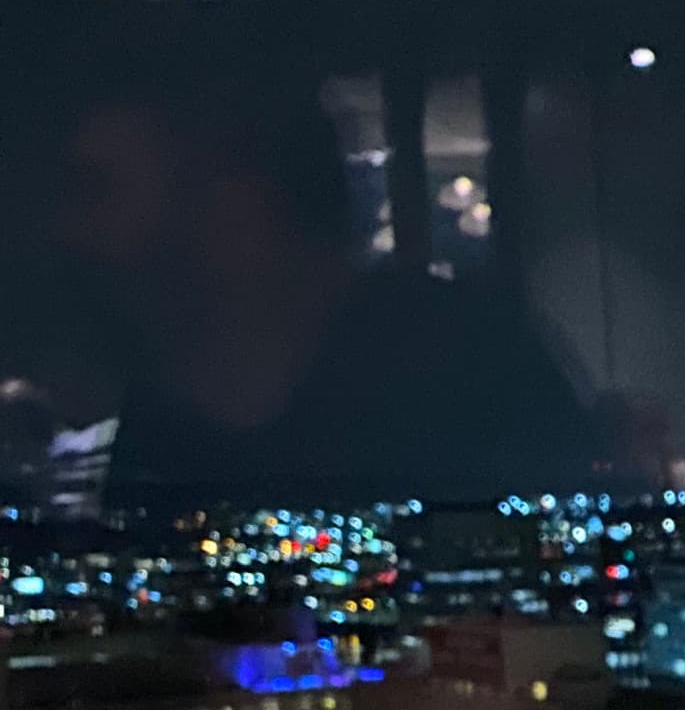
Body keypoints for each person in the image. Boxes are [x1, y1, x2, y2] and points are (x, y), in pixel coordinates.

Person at [60, 68, 598, 505]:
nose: (75, 231)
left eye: (98, 191)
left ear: (241, 206)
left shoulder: (473, 366)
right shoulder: (164, 411)